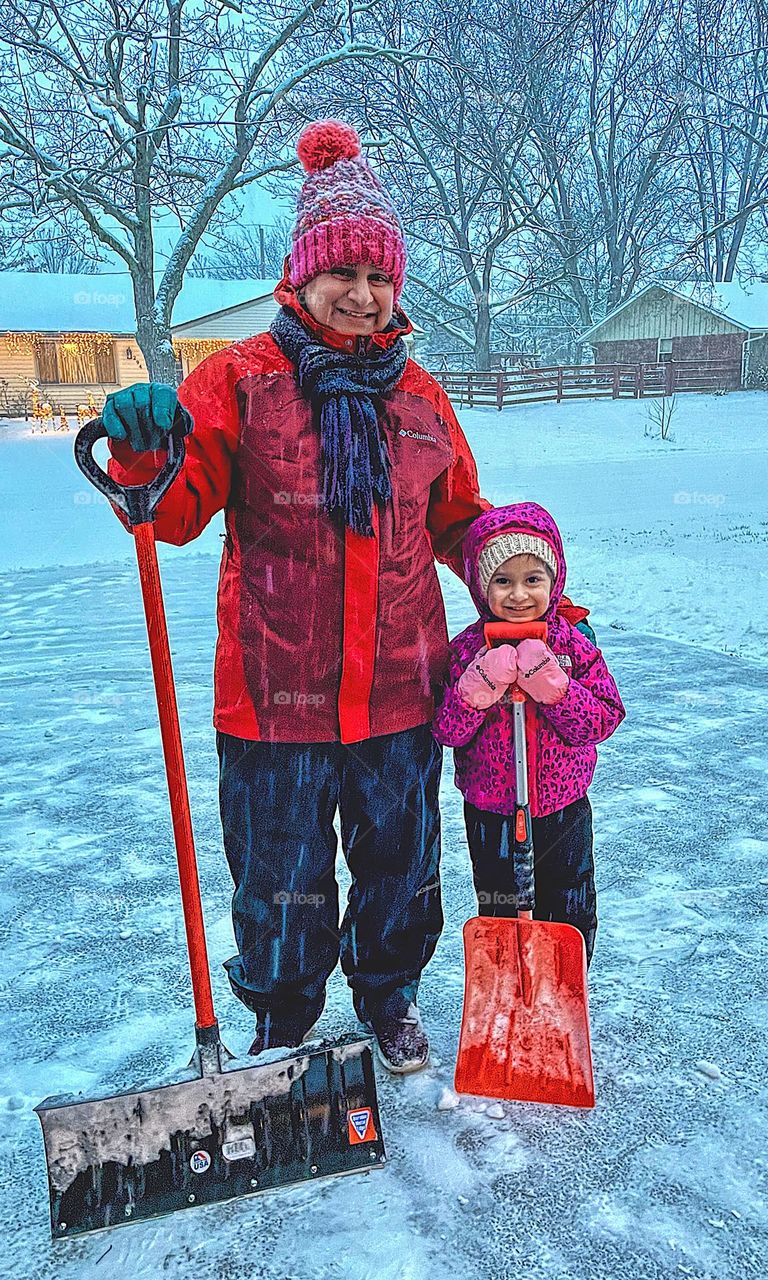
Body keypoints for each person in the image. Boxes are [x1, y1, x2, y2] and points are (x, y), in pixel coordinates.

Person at [99, 119, 496, 1073]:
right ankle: (283, 1009)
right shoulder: (240, 382)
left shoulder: (421, 398)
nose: (361, 297)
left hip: (401, 687)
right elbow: (174, 511)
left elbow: (460, 519)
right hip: (273, 693)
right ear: (302, 276)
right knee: (284, 878)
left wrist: (524, 579)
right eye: (343, 276)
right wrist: (145, 450)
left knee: (399, 864)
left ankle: (389, 993)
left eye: (379, 279)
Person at [432, 503, 625, 963]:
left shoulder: (572, 645)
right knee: (500, 900)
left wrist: (558, 690)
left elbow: (602, 718)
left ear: (553, 581)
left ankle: (562, 982)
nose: (518, 595)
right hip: (491, 807)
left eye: (532, 580)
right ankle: (505, 980)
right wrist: (474, 689)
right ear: (481, 586)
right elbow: (447, 731)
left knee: (566, 899)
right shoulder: (465, 651)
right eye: (503, 581)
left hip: (562, 807)